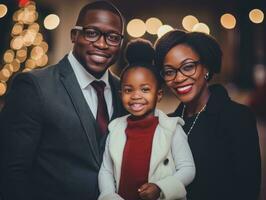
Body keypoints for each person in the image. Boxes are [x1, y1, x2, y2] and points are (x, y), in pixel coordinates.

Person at [0, 1, 126, 200]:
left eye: (112, 37)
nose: (102, 44)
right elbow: (11, 171)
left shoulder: (125, 91)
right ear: (74, 35)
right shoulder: (34, 86)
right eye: (92, 33)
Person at [154, 29, 261, 200]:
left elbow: (247, 190)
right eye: (169, 71)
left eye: (188, 67)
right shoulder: (166, 122)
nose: (179, 78)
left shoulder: (237, 117)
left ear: (206, 67)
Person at [98, 39, 195, 200]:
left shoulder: (171, 128)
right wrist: (108, 194)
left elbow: (187, 168)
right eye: (129, 90)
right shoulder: (115, 128)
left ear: (159, 95)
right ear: (121, 94)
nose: (136, 96)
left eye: (145, 89)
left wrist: (161, 187)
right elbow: (106, 170)